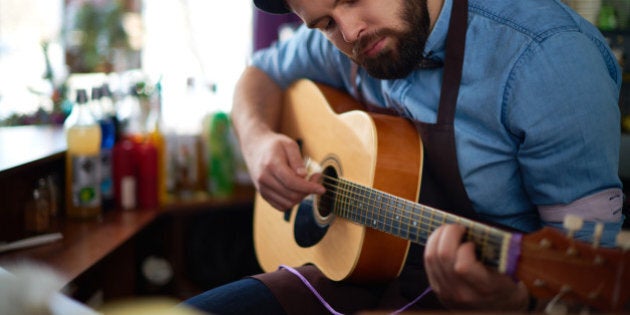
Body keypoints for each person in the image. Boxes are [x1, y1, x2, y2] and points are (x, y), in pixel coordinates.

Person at [184, 0, 625, 313]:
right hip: (359, 274)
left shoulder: (547, 58)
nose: (350, 32)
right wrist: (257, 140)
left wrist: (513, 304)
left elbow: (583, 285)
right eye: (325, 24)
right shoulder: (355, 38)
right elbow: (258, 73)